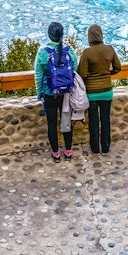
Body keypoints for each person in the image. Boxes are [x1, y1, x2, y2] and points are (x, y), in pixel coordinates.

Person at [34, 21, 78, 162]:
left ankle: (56, 153)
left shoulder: (42, 53)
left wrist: (39, 94)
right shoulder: (69, 50)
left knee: (51, 124)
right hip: (65, 93)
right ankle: (69, 150)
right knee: (66, 121)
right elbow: (75, 70)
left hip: (49, 93)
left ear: (49, 34)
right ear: (62, 34)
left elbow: (38, 76)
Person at [78, 24, 121, 154]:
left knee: (94, 121)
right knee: (105, 119)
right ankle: (106, 146)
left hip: (92, 93)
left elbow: (82, 74)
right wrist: (108, 74)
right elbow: (118, 67)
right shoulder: (109, 49)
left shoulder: (87, 52)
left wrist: (91, 78)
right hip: (107, 91)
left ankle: (95, 148)